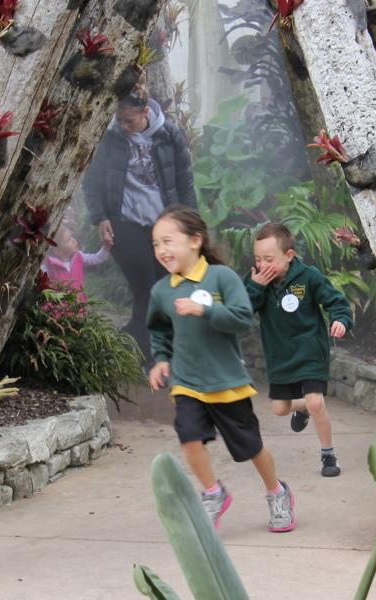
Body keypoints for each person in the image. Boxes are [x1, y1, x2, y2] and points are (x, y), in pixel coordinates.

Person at [146, 205, 295, 532]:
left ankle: (277, 492)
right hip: (187, 382)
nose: (162, 250)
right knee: (188, 435)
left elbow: (242, 320)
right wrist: (161, 359)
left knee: (250, 446)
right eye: (156, 244)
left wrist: (206, 308)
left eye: (168, 241)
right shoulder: (161, 291)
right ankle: (213, 494)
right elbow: (160, 330)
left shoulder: (221, 277)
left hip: (227, 381)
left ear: (195, 240)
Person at [83, 88, 197, 361]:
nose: (123, 126)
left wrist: (191, 227)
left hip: (165, 227)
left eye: (129, 121)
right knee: (146, 291)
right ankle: (153, 359)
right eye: (119, 120)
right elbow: (92, 180)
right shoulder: (110, 137)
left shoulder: (167, 134)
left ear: (145, 112)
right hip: (126, 226)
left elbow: (184, 182)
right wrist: (100, 218)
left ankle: (128, 341)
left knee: (166, 290)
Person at [246, 223, 353, 477]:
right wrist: (256, 287)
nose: (262, 265)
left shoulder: (309, 277)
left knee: (317, 403)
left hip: (310, 352)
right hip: (280, 357)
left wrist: (341, 320)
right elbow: (243, 310)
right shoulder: (255, 281)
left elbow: (337, 302)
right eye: (258, 259)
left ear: (289, 256)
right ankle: (303, 407)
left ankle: (328, 456)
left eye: (269, 259)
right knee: (280, 409)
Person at [41, 221, 111, 303]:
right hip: (58, 311)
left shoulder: (79, 257)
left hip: (79, 308)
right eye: (68, 240)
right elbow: (41, 289)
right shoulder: (47, 265)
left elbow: (97, 258)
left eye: (72, 237)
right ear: (58, 251)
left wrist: (106, 246)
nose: (74, 240)